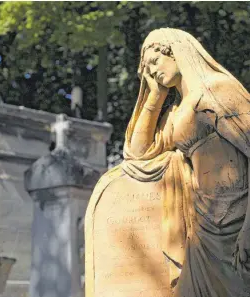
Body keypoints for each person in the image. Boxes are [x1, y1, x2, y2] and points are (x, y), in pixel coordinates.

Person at [85, 28, 250, 297]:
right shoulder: (178, 112)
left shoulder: (218, 90)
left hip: (237, 216)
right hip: (203, 223)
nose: (152, 71)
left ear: (176, 52)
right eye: (147, 67)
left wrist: (248, 228)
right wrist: (155, 95)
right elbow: (137, 154)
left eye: (155, 61)